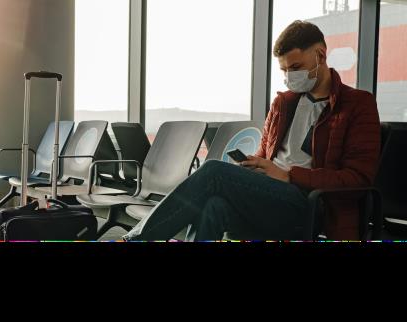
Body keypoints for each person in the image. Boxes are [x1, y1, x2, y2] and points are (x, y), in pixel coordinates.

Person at [123, 20, 381, 241]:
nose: (290, 76)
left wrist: (288, 175)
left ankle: (135, 239)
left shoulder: (357, 104)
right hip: (270, 196)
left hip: (311, 204)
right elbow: (264, 155)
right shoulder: (283, 104)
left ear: (321, 56)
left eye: (296, 68)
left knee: (213, 171)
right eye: (284, 70)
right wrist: (255, 165)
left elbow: (358, 179)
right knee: (215, 206)